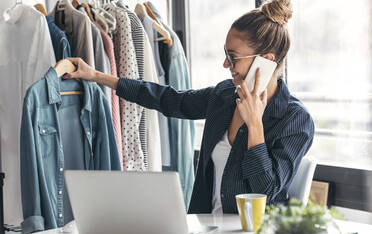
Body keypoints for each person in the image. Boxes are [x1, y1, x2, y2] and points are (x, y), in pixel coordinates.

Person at [64, 0, 314, 214]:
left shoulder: (295, 120)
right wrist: (97, 75)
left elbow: (266, 191)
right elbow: (168, 99)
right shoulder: (225, 95)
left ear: (267, 60)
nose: (226, 65)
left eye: (233, 57)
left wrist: (255, 126)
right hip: (206, 230)